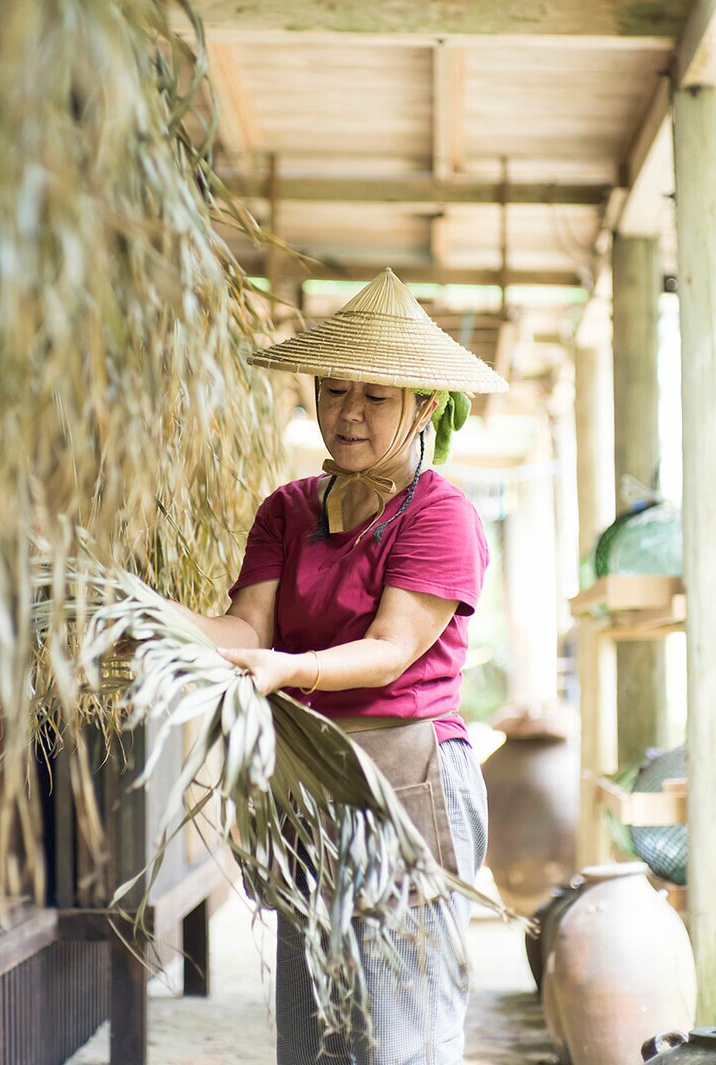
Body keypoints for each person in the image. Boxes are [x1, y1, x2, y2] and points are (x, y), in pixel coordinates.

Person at [179, 268, 507, 1065]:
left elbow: (390, 648)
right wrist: (152, 618)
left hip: (404, 780)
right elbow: (245, 626)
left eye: (375, 395)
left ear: (423, 406)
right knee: (315, 1031)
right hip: (307, 780)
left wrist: (283, 670)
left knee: (400, 1034)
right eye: (332, 389)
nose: (347, 412)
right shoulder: (287, 509)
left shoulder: (440, 514)